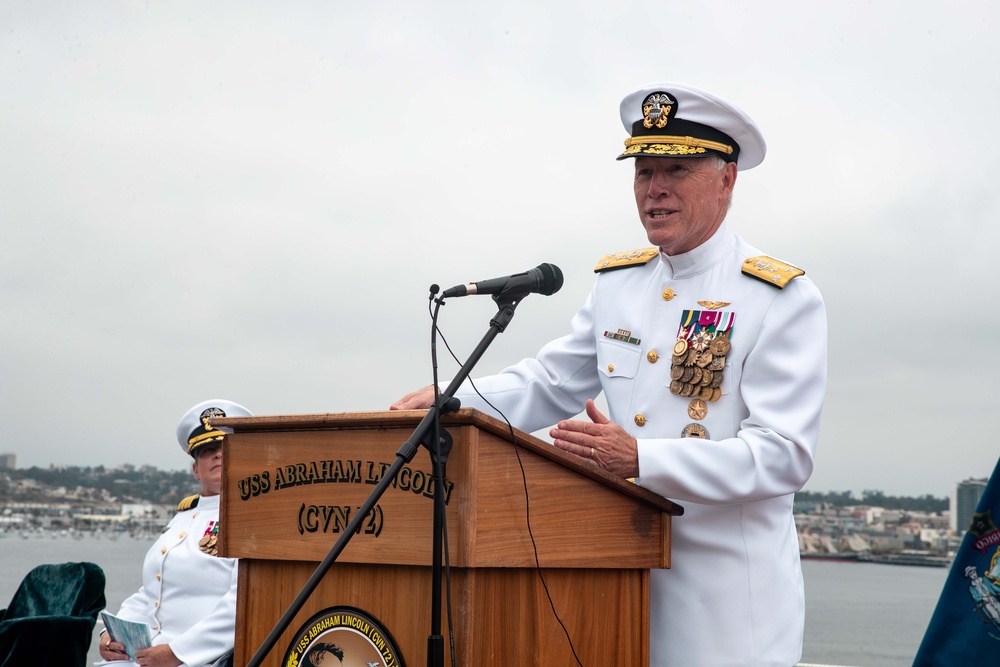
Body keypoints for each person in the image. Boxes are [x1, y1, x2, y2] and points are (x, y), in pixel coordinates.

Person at [391, 82, 827, 666]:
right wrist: (454, 401)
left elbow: (784, 455)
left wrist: (642, 459)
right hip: (612, 585)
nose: (656, 189)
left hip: (725, 610)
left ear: (728, 179)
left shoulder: (779, 297)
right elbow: (550, 382)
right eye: (644, 172)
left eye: (676, 170)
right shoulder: (620, 283)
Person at [98, 399, 252, 667]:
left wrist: (177, 653)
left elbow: (244, 601)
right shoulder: (182, 518)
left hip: (205, 660)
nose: (217, 454)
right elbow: (150, 593)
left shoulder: (254, 517)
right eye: (207, 450)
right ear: (195, 470)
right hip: (148, 657)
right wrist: (111, 638)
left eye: (226, 448)